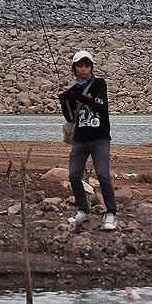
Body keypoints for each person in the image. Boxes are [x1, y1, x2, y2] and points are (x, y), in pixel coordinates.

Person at [58, 50, 117, 231]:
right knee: (74, 175)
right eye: (79, 66)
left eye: (86, 66)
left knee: (103, 175)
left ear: (91, 67)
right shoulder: (74, 89)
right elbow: (69, 117)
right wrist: (64, 100)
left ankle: (111, 214)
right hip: (81, 140)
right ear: (74, 69)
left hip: (100, 139)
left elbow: (98, 103)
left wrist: (77, 96)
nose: (83, 70)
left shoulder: (98, 83)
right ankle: (83, 210)